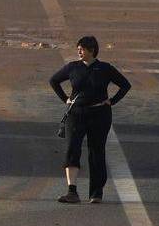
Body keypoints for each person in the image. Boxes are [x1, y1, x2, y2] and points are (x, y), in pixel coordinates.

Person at [49, 36, 130, 204]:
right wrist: (65, 99)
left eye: (82, 49)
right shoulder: (73, 67)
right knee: (72, 149)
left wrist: (112, 101)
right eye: (78, 48)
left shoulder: (104, 68)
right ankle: (72, 191)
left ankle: (96, 192)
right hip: (76, 114)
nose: (79, 51)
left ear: (92, 50)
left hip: (100, 115)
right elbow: (54, 80)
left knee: (96, 151)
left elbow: (125, 85)